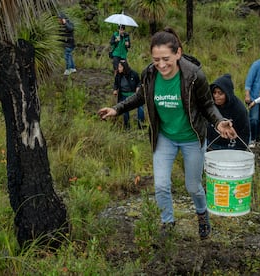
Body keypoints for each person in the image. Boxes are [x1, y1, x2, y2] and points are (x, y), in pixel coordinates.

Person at [98, 27, 237, 240]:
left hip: (192, 138)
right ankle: (167, 222)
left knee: (193, 186)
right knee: (161, 185)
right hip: (164, 137)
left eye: (166, 58)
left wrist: (219, 123)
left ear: (178, 53)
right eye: (156, 59)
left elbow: (208, 105)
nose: (161, 65)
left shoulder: (193, 76)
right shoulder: (149, 74)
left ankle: (202, 214)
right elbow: (140, 97)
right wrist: (117, 109)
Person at [207, 74, 250, 151]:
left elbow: (245, 132)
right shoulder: (210, 106)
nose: (216, 96)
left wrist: (240, 150)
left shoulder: (239, 109)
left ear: (227, 93)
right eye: (214, 92)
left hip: (232, 147)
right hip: (212, 145)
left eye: (220, 93)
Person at [113, 59, 145, 129]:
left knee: (140, 109)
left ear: (124, 67)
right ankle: (126, 126)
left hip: (134, 94)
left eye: (120, 67)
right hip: (124, 94)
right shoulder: (118, 75)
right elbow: (116, 83)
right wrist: (115, 89)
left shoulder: (134, 74)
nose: (118, 69)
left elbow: (139, 82)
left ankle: (141, 125)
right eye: (118, 67)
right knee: (124, 110)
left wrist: (138, 87)